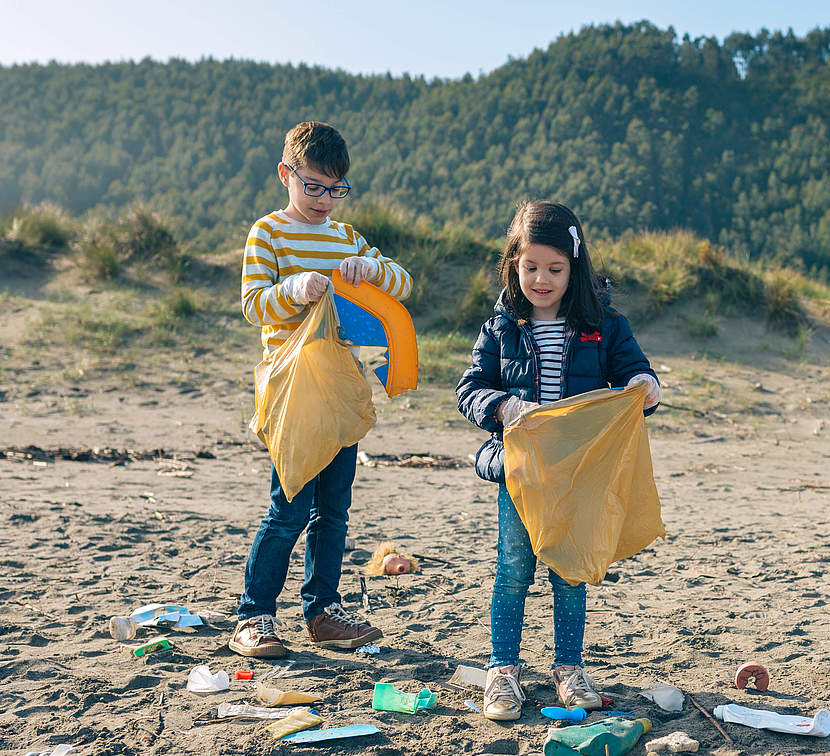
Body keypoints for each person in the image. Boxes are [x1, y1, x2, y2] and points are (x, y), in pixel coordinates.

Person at [455, 201, 661, 721]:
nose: (541, 279)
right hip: (520, 472)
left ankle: (568, 667)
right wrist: (502, 405)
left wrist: (644, 386)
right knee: (512, 569)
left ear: (575, 266)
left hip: (579, 475)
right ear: (513, 265)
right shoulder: (501, 326)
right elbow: (470, 390)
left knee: (569, 571)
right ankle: (503, 671)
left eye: (555, 268)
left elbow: (633, 369)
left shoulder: (604, 324)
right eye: (530, 267)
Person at [232, 121, 413, 659]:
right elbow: (252, 304)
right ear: (286, 174)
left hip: (343, 388)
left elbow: (402, 284)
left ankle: (322, 612)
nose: (324, 200)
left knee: (333, 509)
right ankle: (254, 616)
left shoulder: (346, 235)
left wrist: (372, 267)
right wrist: (291, 288)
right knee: (287, 508)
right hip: (291, 389)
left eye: (335, 189)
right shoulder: (268, 232)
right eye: (312, 186)